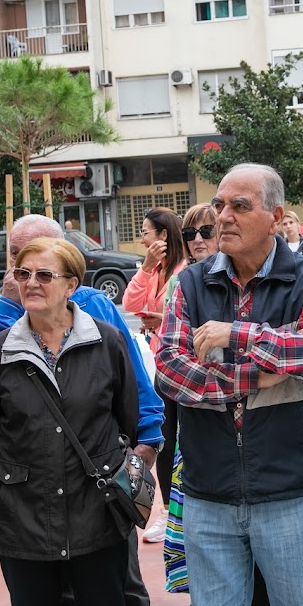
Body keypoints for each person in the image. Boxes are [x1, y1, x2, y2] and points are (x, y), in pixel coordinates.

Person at [0, 213, 167, 606]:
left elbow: (128, 413)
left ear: (71, 281)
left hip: (96, 509)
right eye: (20, 267)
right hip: (25, 514)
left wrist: (141, 452)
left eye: (43, 272)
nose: (29, 280)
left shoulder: (105, 335)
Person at [156, 163, 303, 606]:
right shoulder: (190, 282)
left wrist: (237, 335)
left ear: (276, 216)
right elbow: (168, 366)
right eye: (220, 205)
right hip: (208, 493)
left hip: (289, 492)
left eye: (240, 206)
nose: (224, 216)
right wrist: (253, 379)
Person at [163, 202, 220, 606]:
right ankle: (198, 601)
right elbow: (172, 361)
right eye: (190, 233)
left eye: (207, 230)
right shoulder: (182, 285)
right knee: (190, 522)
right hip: (189, 421)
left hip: (250, 431)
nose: (198, 239)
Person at [123, 207, 187, 545]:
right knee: (163, 439)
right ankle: (163, 513)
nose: (142, 238)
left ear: (162, 235)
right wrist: (147, 268)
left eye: (146, 231)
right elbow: (131, 302)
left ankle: (178, 514)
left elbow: (185, 317)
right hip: (155, 365)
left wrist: (160, 321)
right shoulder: (157, 269)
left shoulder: (184, 269)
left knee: (175, 442)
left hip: (179, 367)